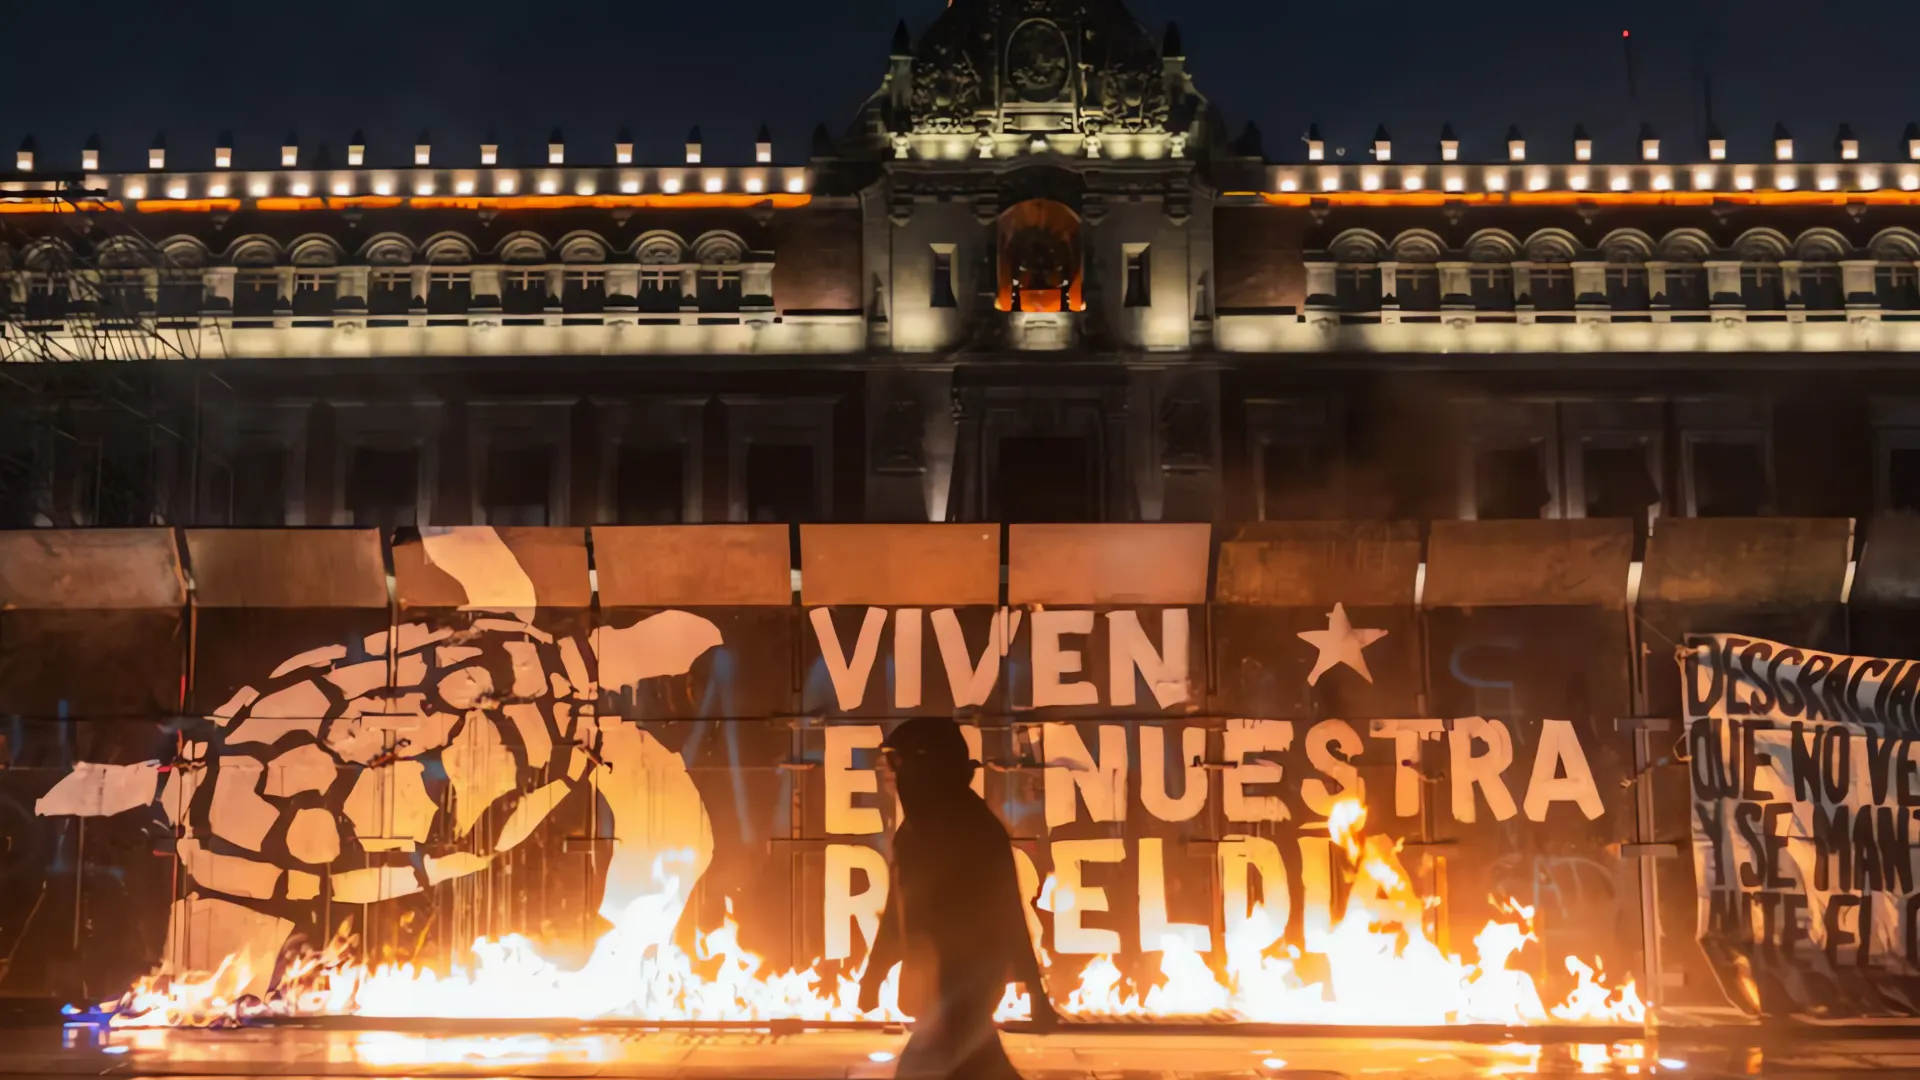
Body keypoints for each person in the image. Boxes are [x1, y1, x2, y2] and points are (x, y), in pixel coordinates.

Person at [858, 718, 1057, 1079]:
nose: (893, 775)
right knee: (976, 1065)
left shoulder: (971, 829)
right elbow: (898, 907)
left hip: (962, 984)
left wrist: (1035, 989)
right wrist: (875, 973)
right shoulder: (919, 829)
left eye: (899, 764)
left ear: (926, 765)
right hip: (945, 987)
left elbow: (1006, 911)